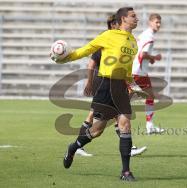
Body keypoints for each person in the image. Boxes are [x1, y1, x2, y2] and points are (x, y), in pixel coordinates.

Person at [52, 7, 139, 181]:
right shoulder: (108, 36)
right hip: (106, 86)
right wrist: (65, 58)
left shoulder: (132, 40)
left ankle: (125, 172)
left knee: (125, 126)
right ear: (123, 19)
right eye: (133, 16)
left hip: (121, 87)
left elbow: (127, 67)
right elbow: (84, 50)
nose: (136, 18)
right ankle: (73, 147)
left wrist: (130, 84)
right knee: (97, 131)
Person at [76, 14, 147, 157]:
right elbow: (91, 62)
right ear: (115, 24)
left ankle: (79, 145)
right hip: (102, 82)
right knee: (98, 118)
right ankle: (78, 145)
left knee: (112, 116)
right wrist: (89, 83)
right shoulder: (106, 38)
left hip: (112, 82)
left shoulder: (121, 41)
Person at [132, 13, 164, 134]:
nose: (158, 25)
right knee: (150, 96)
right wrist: (154, 57)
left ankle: (150, 125)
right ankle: (149, 125)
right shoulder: (150, 37)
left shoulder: (144, 34)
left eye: (159, 22)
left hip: (136, 69)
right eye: (156, 22)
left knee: (148, 95)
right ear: (150, 22)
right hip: (139, 71)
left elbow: (139, 50)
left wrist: (150, 58)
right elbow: (142, 54)